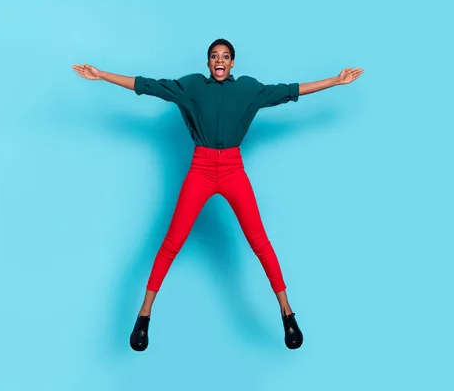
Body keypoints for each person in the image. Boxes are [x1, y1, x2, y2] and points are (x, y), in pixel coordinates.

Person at [72, 38, 363, 351]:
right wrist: (102, 75)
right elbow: (148, 86)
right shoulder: (193, 87)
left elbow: (291, 91)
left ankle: (287, 313)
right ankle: (144, 315)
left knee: (260, 243)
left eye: (225, 56)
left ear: (233, 63)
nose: (219, 61)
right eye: (214, 56)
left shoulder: (249, 90)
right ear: (208, 63)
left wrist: (336, 81)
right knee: (172, 242)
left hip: (233, 171)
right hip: (201, 170)